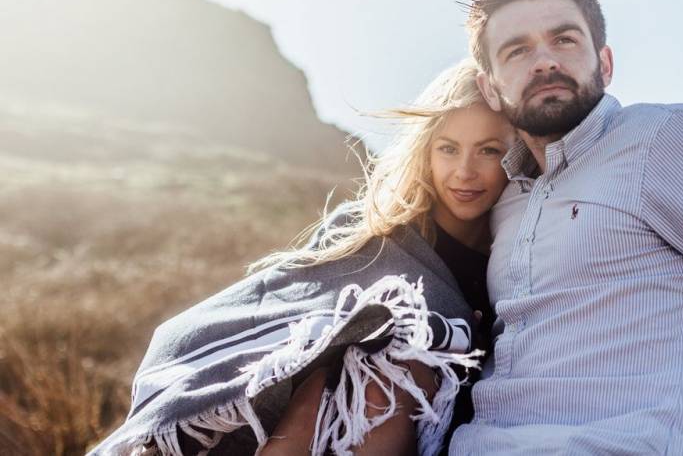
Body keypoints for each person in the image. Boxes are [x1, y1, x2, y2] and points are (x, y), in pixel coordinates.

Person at [447, 0, 683, 455]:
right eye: (517, 50)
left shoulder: (674, 140)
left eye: (564, 40)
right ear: (490, 88)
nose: (545, 61)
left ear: (605, 64)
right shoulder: (503, 200)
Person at [89, 59, 516, 456]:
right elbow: (293, 315)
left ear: (516, 155)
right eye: (448, 148)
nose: (464, 171)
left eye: (489, 151)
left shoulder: (522, 254)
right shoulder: (373, 230)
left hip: (449, 418)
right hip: (321, 410)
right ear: (425, 151)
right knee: (370, 365)